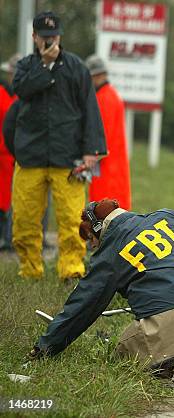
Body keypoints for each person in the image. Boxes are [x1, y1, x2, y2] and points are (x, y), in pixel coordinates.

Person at [28, 198, 174, 389]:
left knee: (121, 354)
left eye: (91, 239)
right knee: (169, 328)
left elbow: (82, 307)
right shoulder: (167, 216)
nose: (93, 246)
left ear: (98, 228)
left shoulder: (110, 251)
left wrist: (45, 348)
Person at [11, 11, 106, 280]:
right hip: (30, 156)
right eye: (44, 38)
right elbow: (22, 91)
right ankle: (29, 270)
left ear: (60, 36)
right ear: (34, 37)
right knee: (25, 220)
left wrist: (92, 150)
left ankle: (72, 269)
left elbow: (90, 108)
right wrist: (44, 66)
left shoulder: (77, 68)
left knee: (72, 219)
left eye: (53, 37)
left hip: (69, 157)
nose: (49, 42)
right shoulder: (26, 66)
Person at [85, 55, 131, 210]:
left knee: (105, 214)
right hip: (110, 168)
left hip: (107, 169)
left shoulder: (104, 98)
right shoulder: (108, 95)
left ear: (97, 76)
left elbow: (101, 136)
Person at [0, 53, 20, 250]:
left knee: (15, 199)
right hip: (2, 155)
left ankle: (10, 238)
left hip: (17, 155)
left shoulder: (23, 95)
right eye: (11, 73)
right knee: (2, 198)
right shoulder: (1, 93)